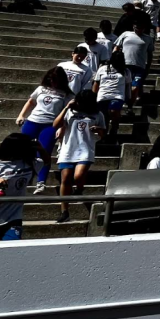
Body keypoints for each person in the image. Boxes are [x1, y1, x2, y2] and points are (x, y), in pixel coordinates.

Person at [15, 66, 72, 194]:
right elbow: (31, 101)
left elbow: (67, 113)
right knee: (23, 149)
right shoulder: (41, 88)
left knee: (44, 152)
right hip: (32, 121)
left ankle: (41, 183)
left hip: (50, 125)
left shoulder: (67, 94)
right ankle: (21, 177)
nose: (53, 82)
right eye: (51, 79)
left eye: (55, 79)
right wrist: (21, 115)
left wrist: (62, 128)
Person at [52, 90, 106, 222]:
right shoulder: (70, 112)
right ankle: (64, 211)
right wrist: (66, 108)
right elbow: (55, 125)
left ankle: (80, 188)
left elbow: (103, 134)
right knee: (65, 179)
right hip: (68, 149)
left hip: (85, 149)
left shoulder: (98, 114)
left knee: (78, 176)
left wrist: (98, 130)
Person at [92, 49, 129, 138]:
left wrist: (128, 98)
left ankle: (114, 128)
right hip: (103, 96)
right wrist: (93, 96)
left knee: (113, 111)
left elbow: (128, 85)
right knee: (104, 117)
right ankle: (104, 135)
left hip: (117, 96)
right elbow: (96, 83)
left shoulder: (126, 71)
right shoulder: (102, 69)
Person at [113, 20, 150, 107]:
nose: (139, 30)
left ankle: (130, 106)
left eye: (141, 28)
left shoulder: (148, 38)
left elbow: (150, 53)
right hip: (125, 65)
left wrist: (148, 66)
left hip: (139, 66)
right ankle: (124, 103)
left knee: (135, 87)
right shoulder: (126, 34)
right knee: (125, 86)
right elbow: (117, 47)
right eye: (137, 27)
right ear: (133, 26)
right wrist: (113, 60)